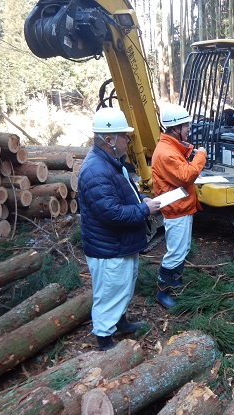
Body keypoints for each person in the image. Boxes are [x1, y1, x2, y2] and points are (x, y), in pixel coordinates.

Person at [78, 107, 161, 351]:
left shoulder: (112, 163)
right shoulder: (96, 171)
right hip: (109, 247)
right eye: (124, 136)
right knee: (109, 292)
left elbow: (124, 197)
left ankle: (120, 322)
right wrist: (146, 210)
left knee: (123, 286)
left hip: (120, 243)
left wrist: (141, 202)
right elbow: (111, 213)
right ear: (109, 139)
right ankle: (104, 339)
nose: (128, 140)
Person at [152, 103, 207, 308]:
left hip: (182, 206)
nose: (188, 130)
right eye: (186, 126)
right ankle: (162, 292)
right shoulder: (166, 152)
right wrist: (200, 155)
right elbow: (186, 175)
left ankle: (175, 282)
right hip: (175, 210)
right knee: (175, 251)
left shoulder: (171, 147)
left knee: (183, 248)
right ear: (175, 128)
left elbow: (182, 172)